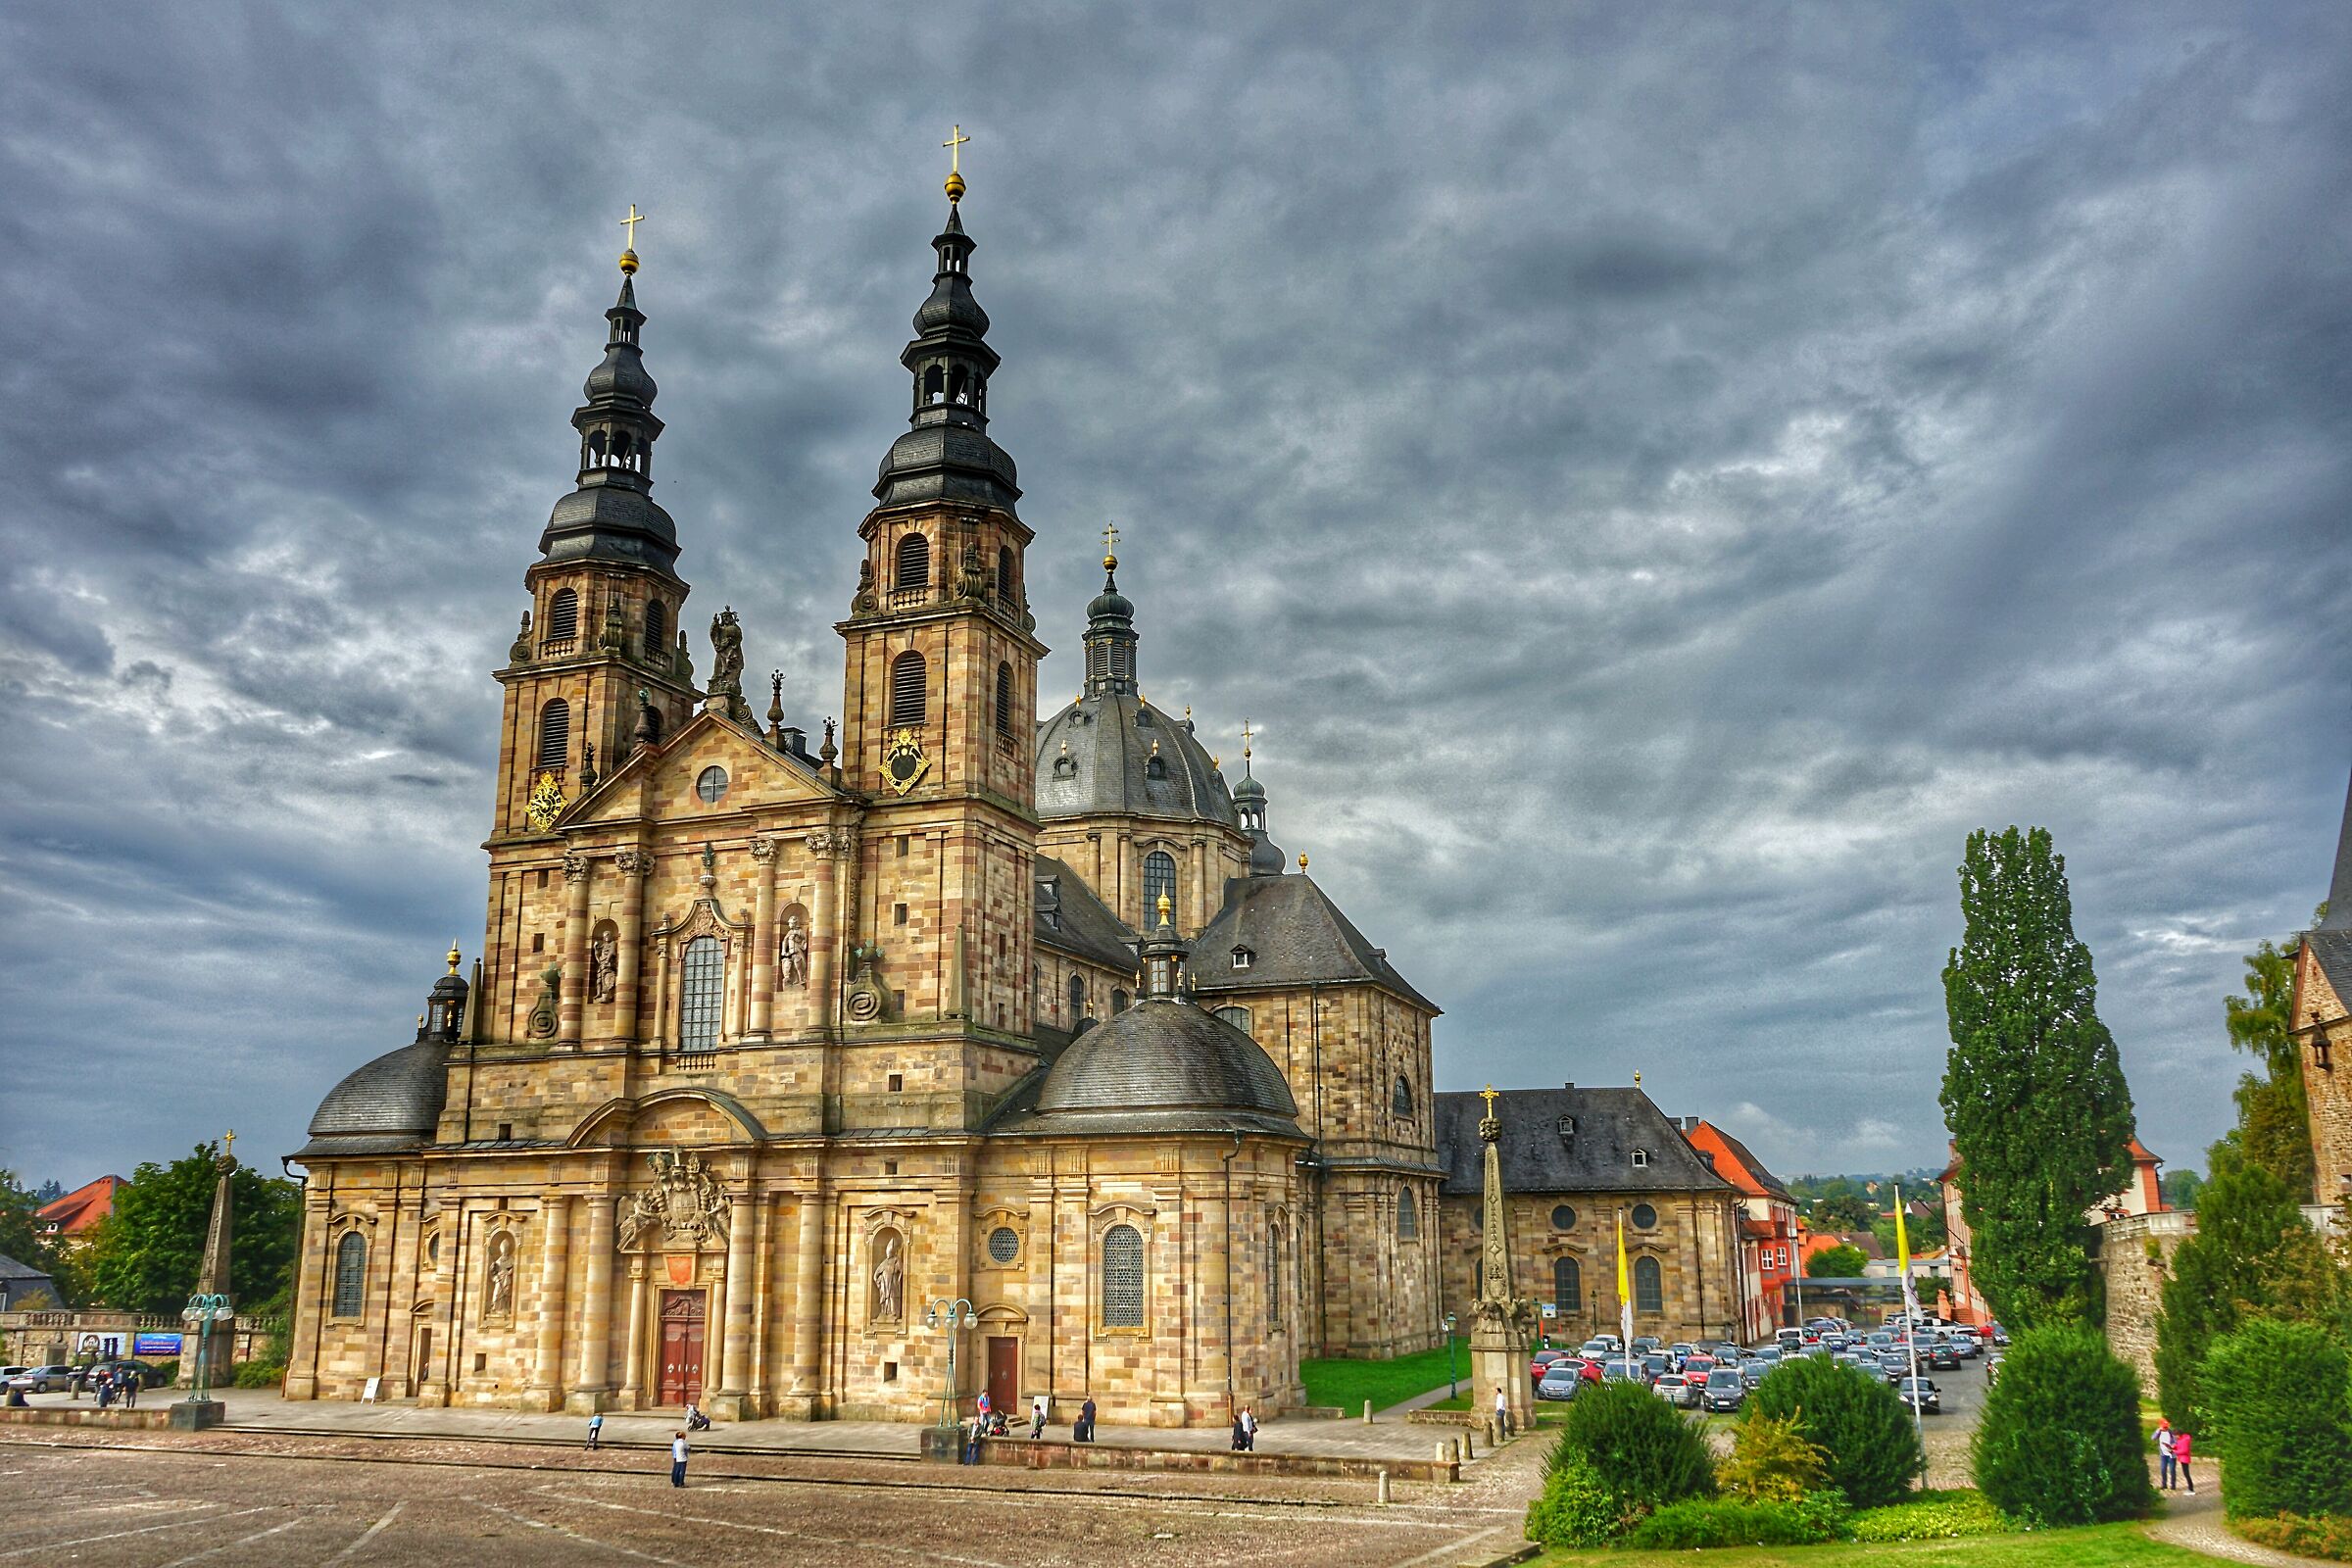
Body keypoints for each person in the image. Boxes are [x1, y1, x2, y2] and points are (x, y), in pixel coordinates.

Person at [2154, 1417, 2175, 1491]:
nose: (2165, 1428)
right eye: (2164, 1427)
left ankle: (2173, 1485)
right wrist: (2158, 1430)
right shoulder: (2159, 1431)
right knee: (2163, 1469)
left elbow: (2175, 1440)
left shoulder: (2171, 1432)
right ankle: (2164, 1484)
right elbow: (2153, 1438)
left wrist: (2172, 1447)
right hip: (2163, 1454)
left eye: (2166, 1427)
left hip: (2171, 1454)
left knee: (2172, 1470)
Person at [2175, 1428, 2194, 1494]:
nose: (2175, 1437)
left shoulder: (2184, 1440)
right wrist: (2173, 1447)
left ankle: (2191, 1489)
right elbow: (2178, 1446)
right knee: (2186, 1474)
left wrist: (2175, 1452)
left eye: (2176, 1435)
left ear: (2179, 1434)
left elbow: (2184, 1450)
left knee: (2186, 1474)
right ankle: (2190, 1488)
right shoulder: (2181, 1439)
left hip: (2184, 1459)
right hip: (2182, 1458)